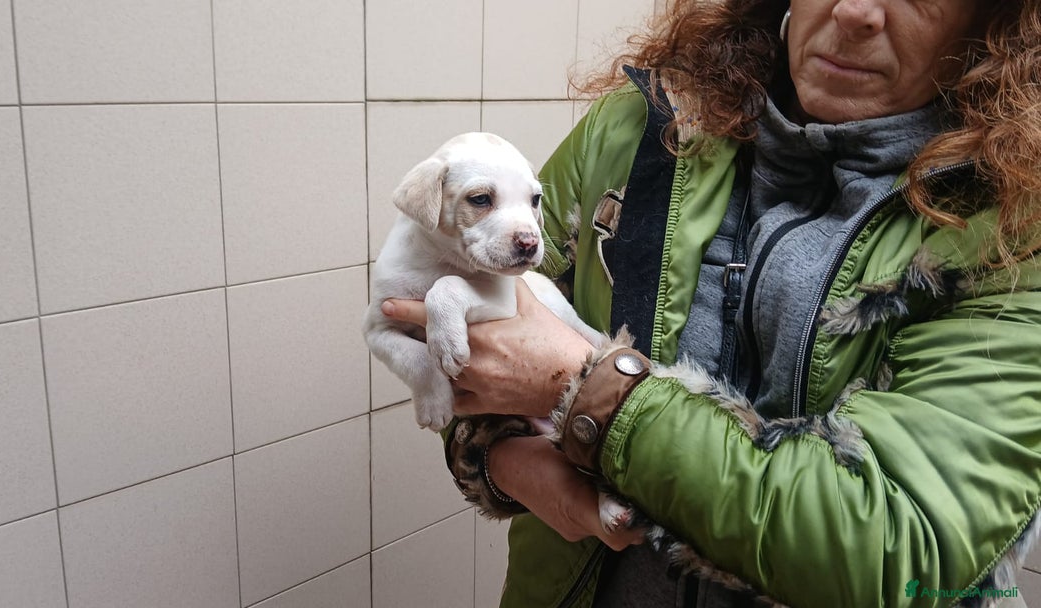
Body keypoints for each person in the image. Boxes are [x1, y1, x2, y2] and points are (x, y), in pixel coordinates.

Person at [383, 0, 1041, 606]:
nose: (855, 10)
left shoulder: (1014, 227)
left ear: (992, 20)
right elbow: (471, 332)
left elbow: (897, 548)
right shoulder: (642, 128)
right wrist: (501, 457)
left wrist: (582, 388)